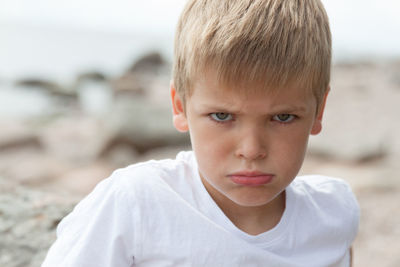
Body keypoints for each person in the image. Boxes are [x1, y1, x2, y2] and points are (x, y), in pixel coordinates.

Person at [42, 0, 360, 266]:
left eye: (283, 117)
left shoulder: (333, 215)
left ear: (319, 111)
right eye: (222, 116)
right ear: (179, 106)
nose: (251, 149)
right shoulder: (134, 205)